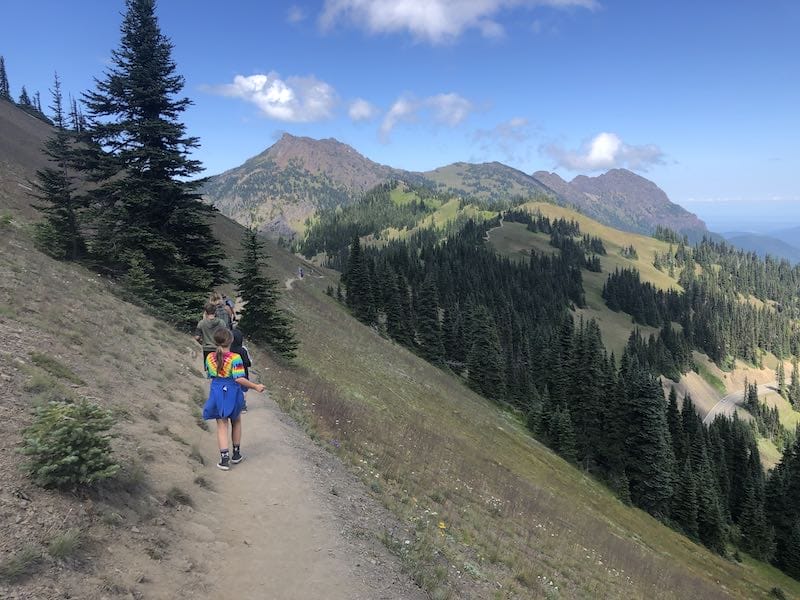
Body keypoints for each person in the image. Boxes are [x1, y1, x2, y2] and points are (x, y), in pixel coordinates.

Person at [203, 328, 265, 470]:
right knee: (236, 421)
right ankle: (236, 454)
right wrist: (255, 386)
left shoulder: (210, 357)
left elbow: (210, 375)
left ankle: (224, 458)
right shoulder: (235, 358)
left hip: (217, 391)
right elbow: (239, 379)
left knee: (221, 425)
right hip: (232, 391)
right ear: (230, 340)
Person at [194, 303, 225, 367]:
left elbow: (197, 337)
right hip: (218, 348)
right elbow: (225, 335)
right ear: (215, 311)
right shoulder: (221, 322)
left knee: (209, 369)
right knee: (219, 368)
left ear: (205, 312)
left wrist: (201, 342)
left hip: (207, 349)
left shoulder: (201, 323)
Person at [230, 327, 253, 413]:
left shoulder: (228, 350)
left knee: (232, 389)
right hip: (243, 373)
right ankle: (242, 406)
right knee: (243, 390)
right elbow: (248, 362)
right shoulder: (243, 350)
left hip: (231, 373)